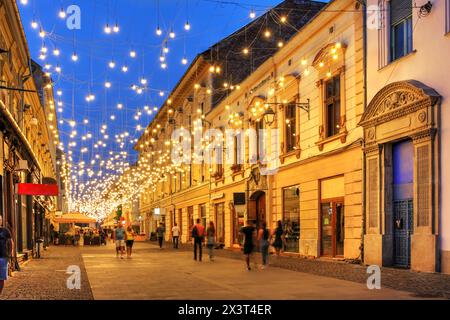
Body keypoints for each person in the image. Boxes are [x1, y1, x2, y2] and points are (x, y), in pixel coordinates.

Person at [0, 215, 13, 295]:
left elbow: (11, 243)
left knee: (1, 278)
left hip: (3, 258)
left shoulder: (5, 231)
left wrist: (10, 255)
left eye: (0, 219)